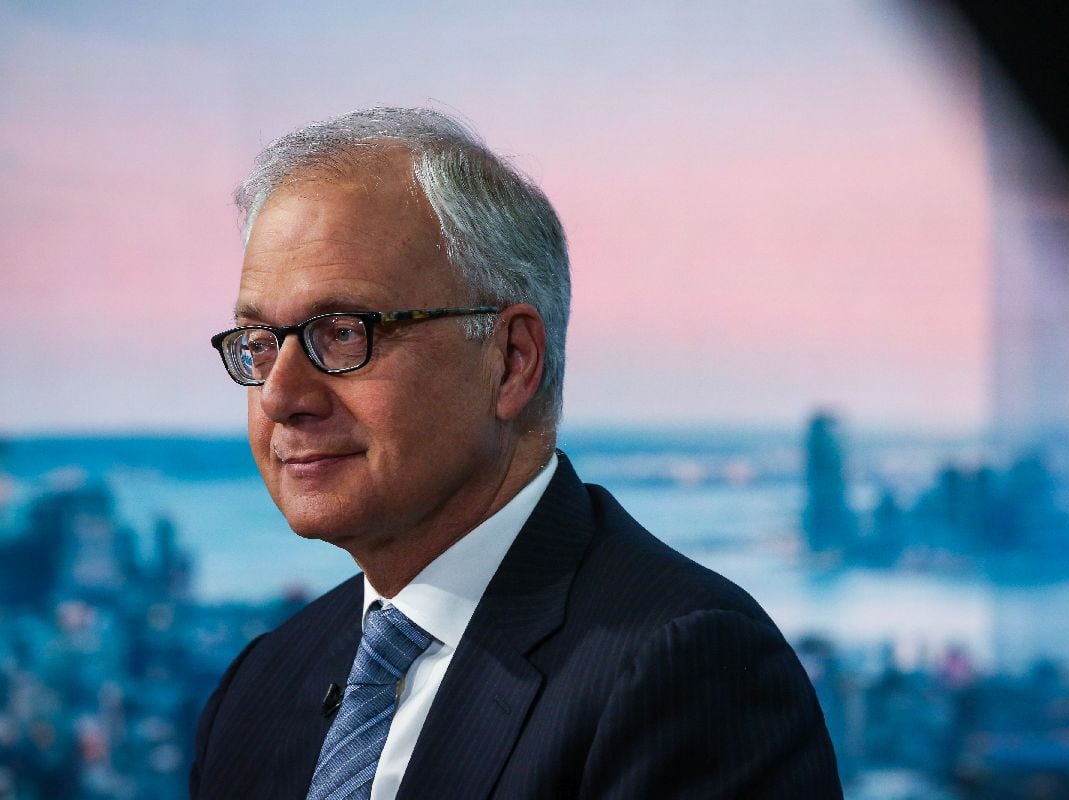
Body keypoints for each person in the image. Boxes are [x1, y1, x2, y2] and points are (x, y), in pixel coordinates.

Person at [190, 107, 842, 799]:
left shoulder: (686, 668)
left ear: (510, 361)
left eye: (344, 333)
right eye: (259, 343)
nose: (281, 395)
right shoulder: (259, 684)